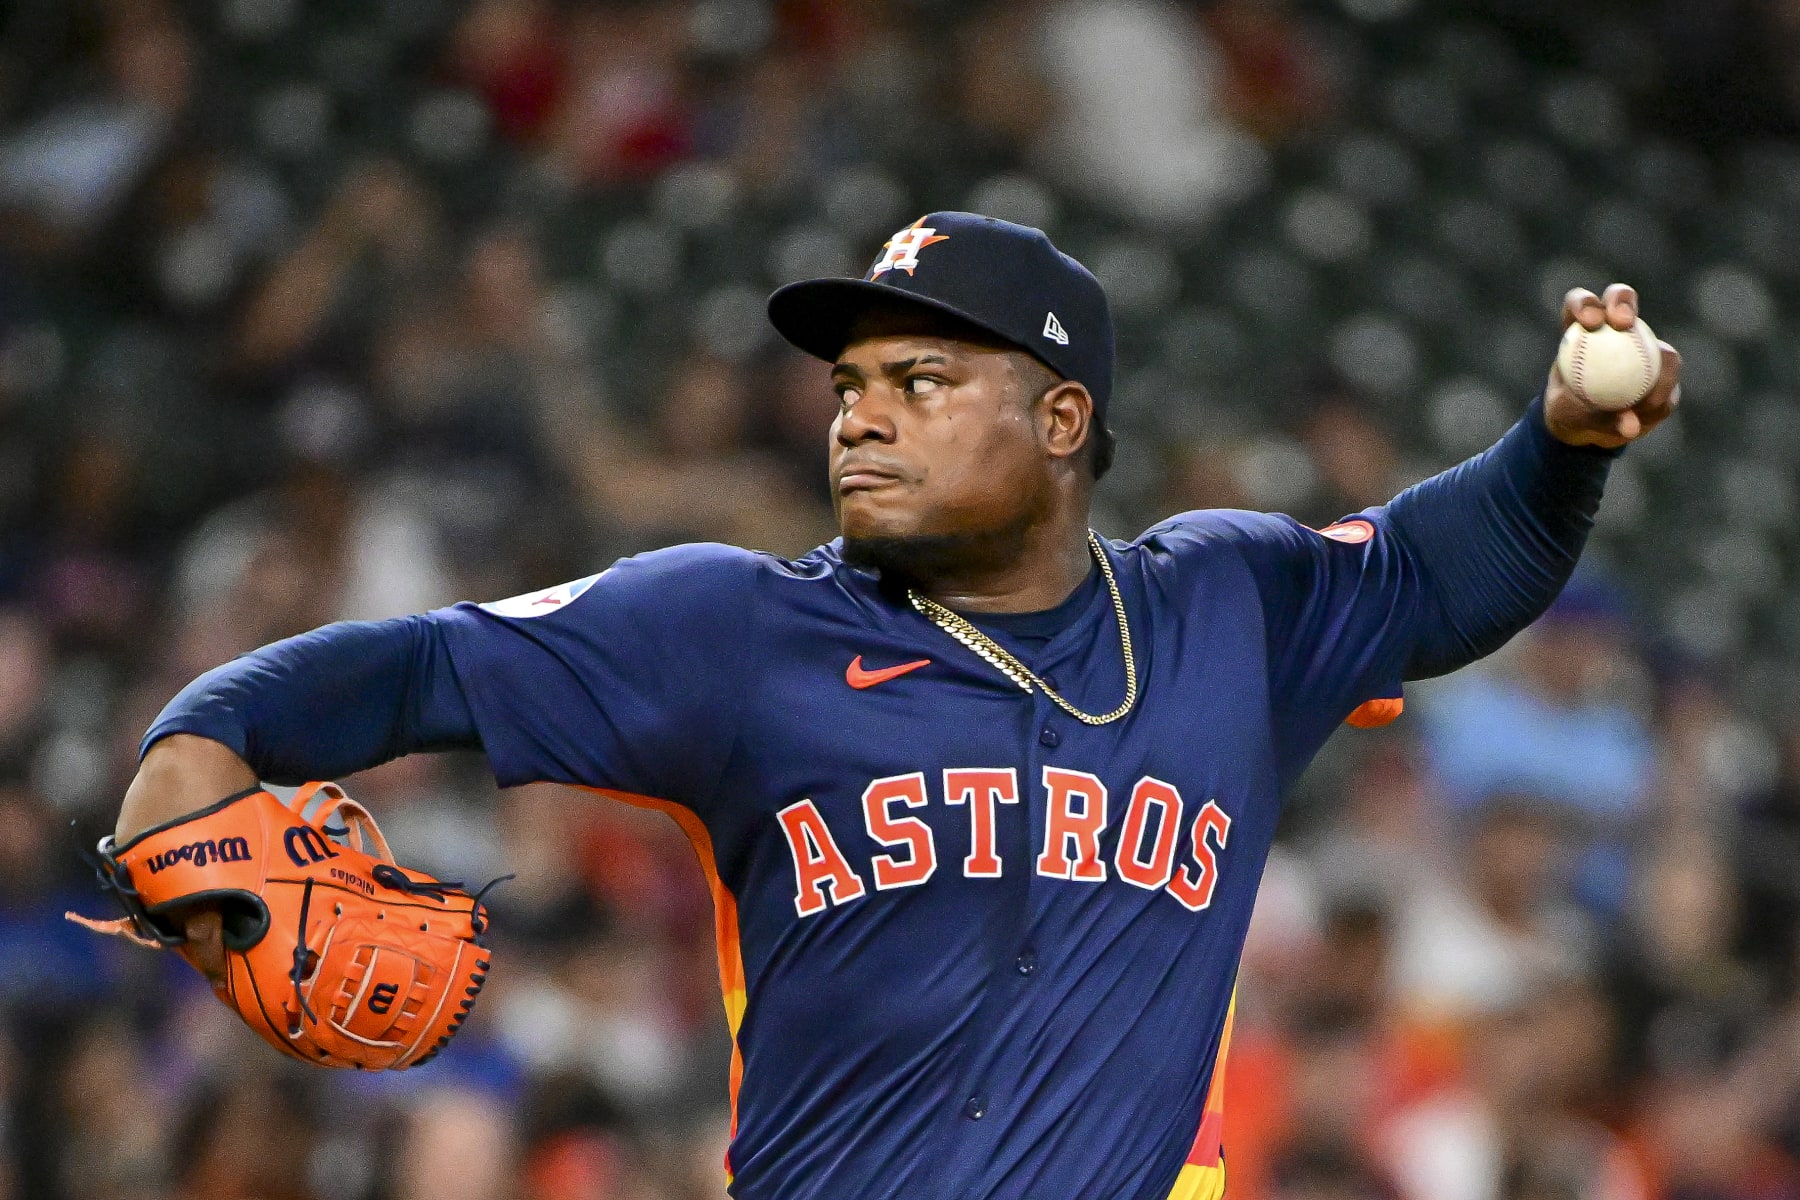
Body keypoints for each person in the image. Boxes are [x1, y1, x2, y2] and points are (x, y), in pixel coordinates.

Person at [113, 212, 1679, 1200]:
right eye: (852, 385)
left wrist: (1561, 442)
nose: (860, 417)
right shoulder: (734, 627)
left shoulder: (1225, 609)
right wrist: (202, 740)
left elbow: (1446, 571)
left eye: (921, 382)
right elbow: (421, 663)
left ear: (1064, 419)